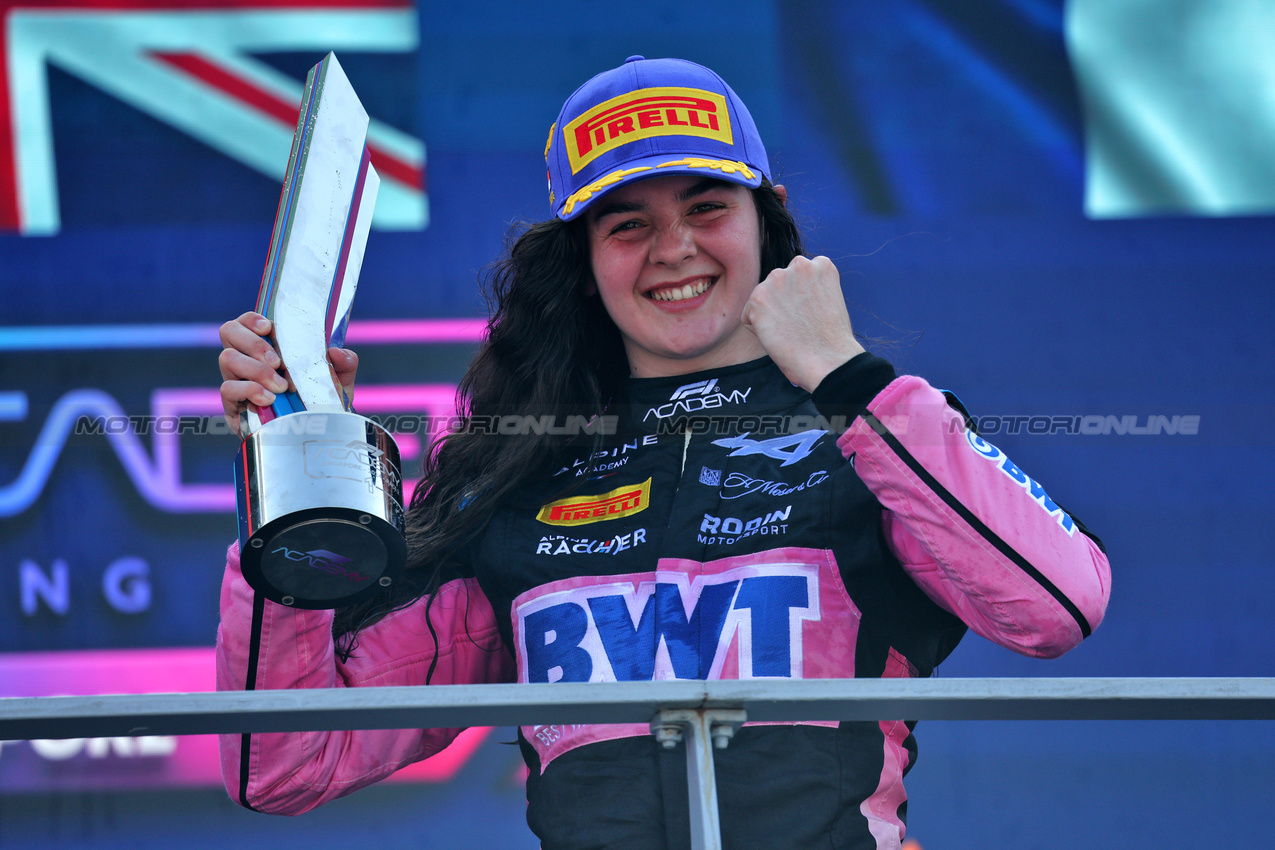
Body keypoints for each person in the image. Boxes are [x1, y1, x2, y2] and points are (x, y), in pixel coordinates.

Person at [215, 56, 1110, 850]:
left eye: (706, 206)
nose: (674, 248)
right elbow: (288, 762)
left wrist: (846, 381)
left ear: (768, 219)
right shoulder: (521, 484)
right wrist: (297, 456)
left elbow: (1055, 606)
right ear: (586, 258)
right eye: (626, 224)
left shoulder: (873, 443)